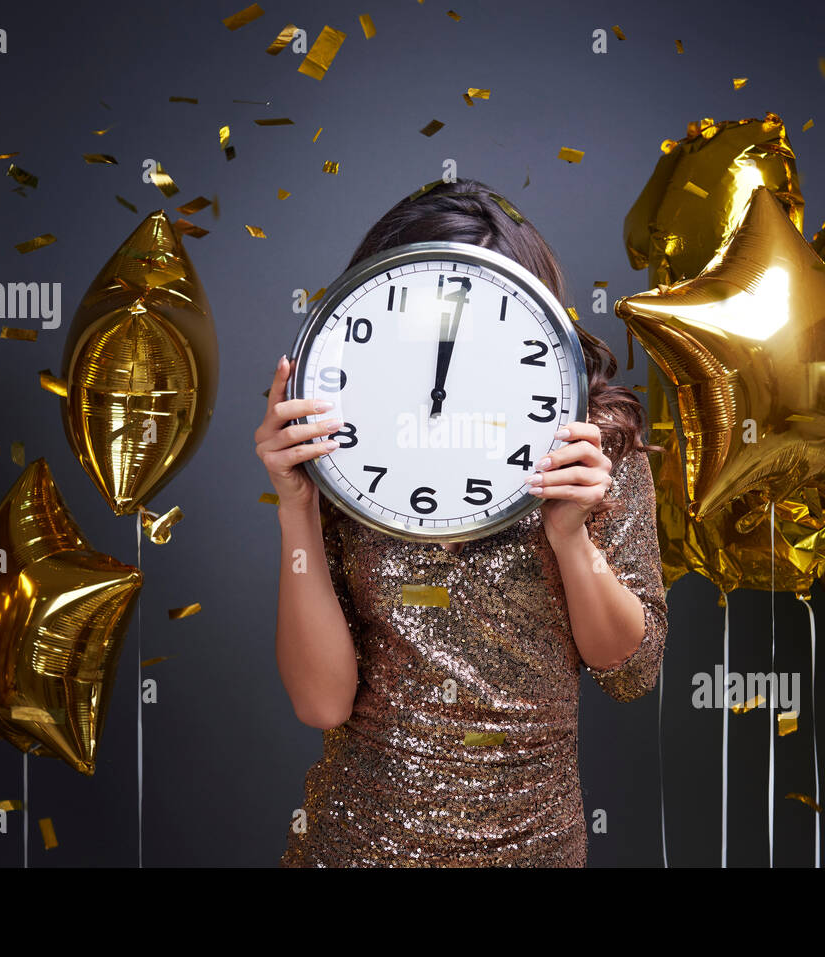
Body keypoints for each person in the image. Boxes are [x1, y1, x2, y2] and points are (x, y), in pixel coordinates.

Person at [254, 178, 667, 866]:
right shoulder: (345, 459)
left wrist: (569, 537)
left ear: (529, 312)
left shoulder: (594, 447)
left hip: (533, 846)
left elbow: (630, 671)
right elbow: (322, 703)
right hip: (358, 844)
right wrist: (295, 507)